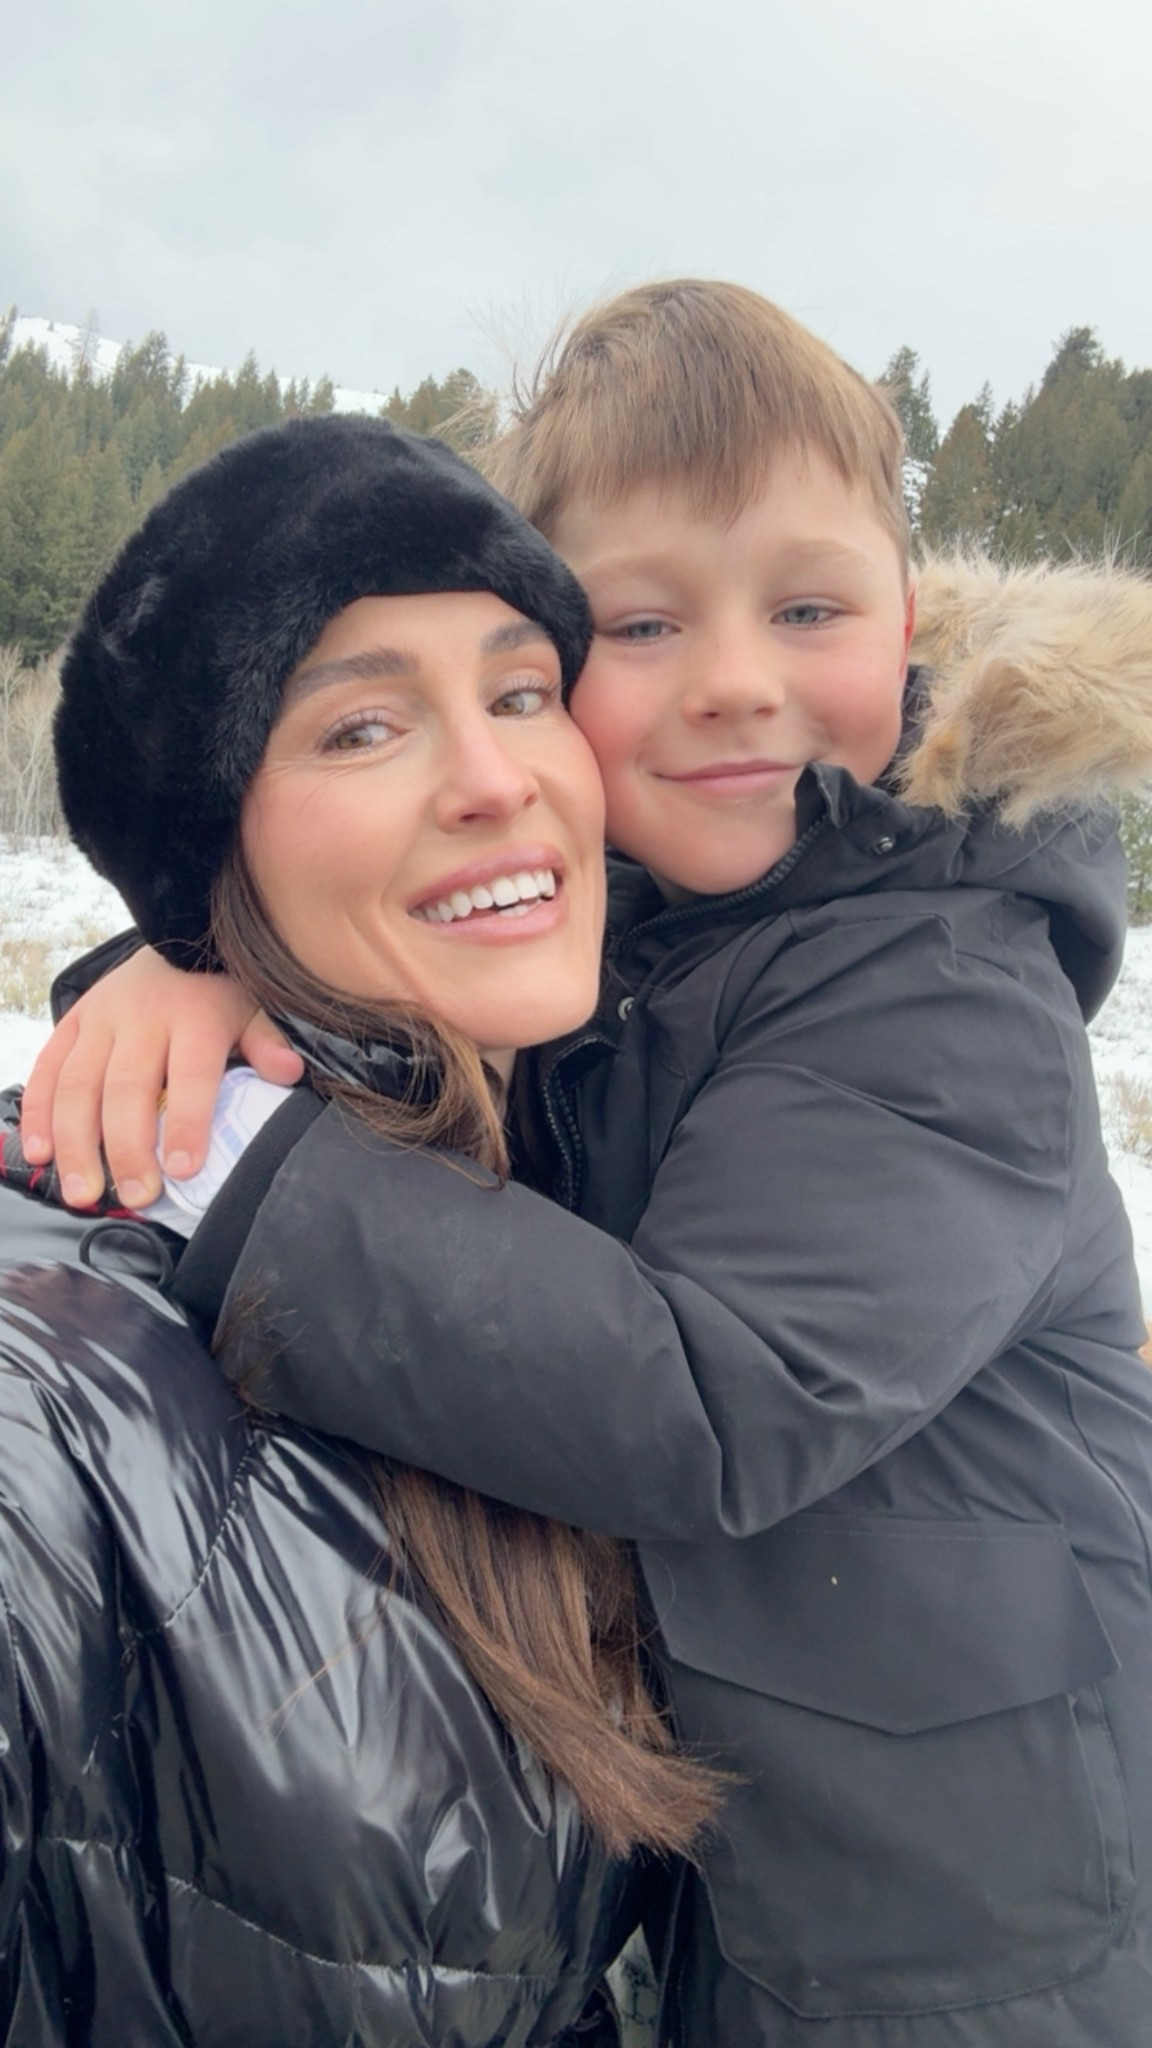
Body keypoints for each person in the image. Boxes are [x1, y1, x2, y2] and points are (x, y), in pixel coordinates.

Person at [24, 282, 1152, 2044]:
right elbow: (399, 948)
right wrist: (197, 959)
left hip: (972, 1931)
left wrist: (245, 1167)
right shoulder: (645, 931)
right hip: (735, 1880)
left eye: (806, 606)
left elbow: (706, 1398)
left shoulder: (943, 982)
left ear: (910, 621)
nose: (733, 684)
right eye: (638, 626)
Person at [0, 412, 723, 2046]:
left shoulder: (635, 1168)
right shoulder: (55, 1389)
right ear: (209, 845)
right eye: (361, 728)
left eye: (523, 690)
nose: (495, 779)